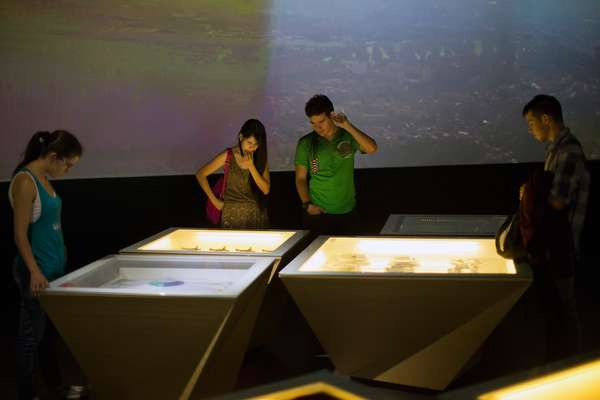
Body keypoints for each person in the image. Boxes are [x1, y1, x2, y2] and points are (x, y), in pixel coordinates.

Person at [9, 130, 84, 399]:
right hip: (36, 273)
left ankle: (55, 387)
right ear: (54, 156)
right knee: (30, 336)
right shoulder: (25, 181)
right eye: (67, 164)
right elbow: (19, 234)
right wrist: (34, 271)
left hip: (52, 270)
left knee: (46, 335)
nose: (67, 169)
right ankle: (27, 393)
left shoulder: (44, 179)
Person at [294, 94, 377, 235]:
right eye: (313, 123)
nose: (317, 128)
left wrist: (347, 125)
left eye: (321, 122)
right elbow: (300, 178)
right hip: (318, 214)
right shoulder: (306, 143)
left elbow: (372, 148)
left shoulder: (347, 136)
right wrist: (307, 204)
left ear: (331, 116)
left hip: (347, 212)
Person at [522, 94, 590, 261]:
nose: (530, 130)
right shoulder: (555, 150)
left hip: (562, 247)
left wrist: (530, 192)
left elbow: (558, 201)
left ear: (545, 119)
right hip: (555, 244)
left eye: (531, 124)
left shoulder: (569, 151)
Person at [196, 119, 270, 229]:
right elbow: (200, 174)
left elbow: (265, 189)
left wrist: (251, 166)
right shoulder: (229, 155)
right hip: (231, 215)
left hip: (256, 215)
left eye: (256, 144)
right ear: (241, 137)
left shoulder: (260, 158)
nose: (252, 147)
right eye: (249, 143)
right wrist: (215, 201)